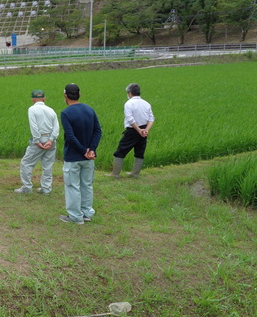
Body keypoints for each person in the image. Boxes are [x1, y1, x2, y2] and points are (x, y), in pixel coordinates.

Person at [59, 83, 102, 225]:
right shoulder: (89, 110)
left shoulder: (66, 113)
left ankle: (75, 217)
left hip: (73, 157)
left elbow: (70, 137)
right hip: (89, 157)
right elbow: (98, 131)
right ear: (79, 95)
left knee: (72, 186)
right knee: (87, 185)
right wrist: (91, 149)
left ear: (65, 96)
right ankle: (87, 213)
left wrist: (83, 150)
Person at [14, 90, 59, 194]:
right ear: (44, 98)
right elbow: (56, 127)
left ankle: (27, 187)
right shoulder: (51, 110)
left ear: (32, 99)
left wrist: (37, 140)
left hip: (40, 139)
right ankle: (46, 189)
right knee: (47, 165)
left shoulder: (32, 109)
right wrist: (51, 140)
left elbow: (34, 126)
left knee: (26, 163)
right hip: (51, 141)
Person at [110, 83, 155, 179]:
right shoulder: (146, 103)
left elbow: (130, 119)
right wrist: (145, 130)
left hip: (133, 130)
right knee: (139, 152)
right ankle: (135, 174)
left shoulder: (129, 103)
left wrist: (138, 130)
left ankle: (115, 174)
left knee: (120, 151)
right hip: (144, 131)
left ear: (130, 93)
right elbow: (151, 118)